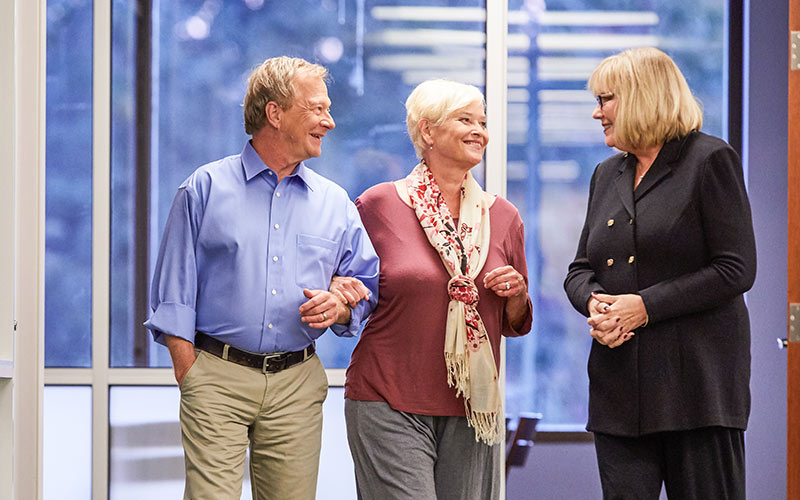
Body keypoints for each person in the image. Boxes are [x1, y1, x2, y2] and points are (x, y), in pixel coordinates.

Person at [144, 56, 379, 500]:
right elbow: (173, 291)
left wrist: (342, 303)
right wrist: (189, 371)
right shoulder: (204, 188)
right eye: (317, 108)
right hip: (216, 377)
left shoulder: (335, 203)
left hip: (297, 382)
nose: (329, 121)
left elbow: (368, 284)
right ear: (275, 113)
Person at [564, 47, 756, 499]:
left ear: (640, 97)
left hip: (697, 389)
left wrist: (643, 307)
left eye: (605, 99)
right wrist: (595, 301)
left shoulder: (710, 160)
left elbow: (735, 269)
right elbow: (580, 269)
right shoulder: (606, 173)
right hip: (619, 390)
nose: (597, 113)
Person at [340, 79, 532, 500]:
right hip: (386, 397)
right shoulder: (378, 205)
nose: (479, 130)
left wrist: (516, 295)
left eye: (483, 121)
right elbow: (350, 291)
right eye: (465, 119)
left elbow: (515, 323)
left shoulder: (503, 216)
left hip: (472, 407)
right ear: (427, 131)